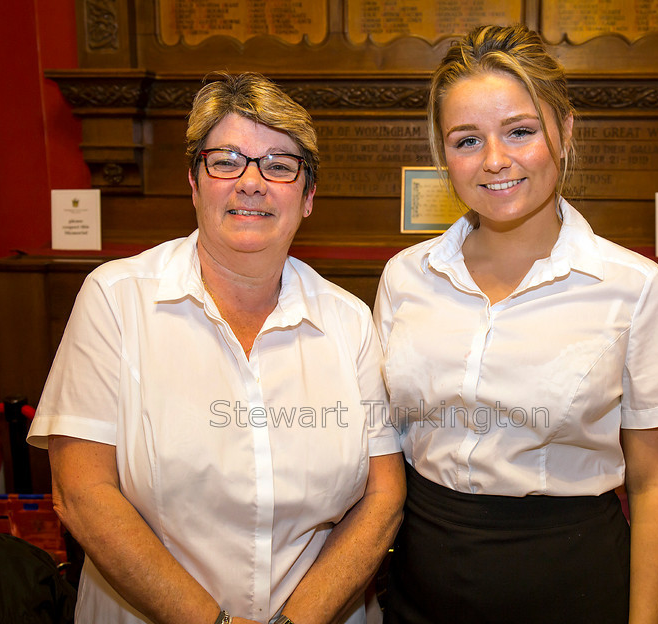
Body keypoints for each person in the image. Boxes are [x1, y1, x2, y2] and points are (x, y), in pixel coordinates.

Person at [27, 72, 405, 624]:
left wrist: (294, 622)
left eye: (279, 165)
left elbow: (384, 496)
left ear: (308, 196)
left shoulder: (350, 322)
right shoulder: (115, 299)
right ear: (194, 178)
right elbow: (82, 492)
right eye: (226, 160)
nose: (251, 183)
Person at [373, 24, 658, 624]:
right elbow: (385, 447)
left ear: (564, 132)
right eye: (467, 139)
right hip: (420, 577)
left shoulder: (632, 288)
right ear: (441, 153)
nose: (495, 160)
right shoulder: (405, 277)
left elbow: (656, 485)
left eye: (520, 131)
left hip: (570, 580)